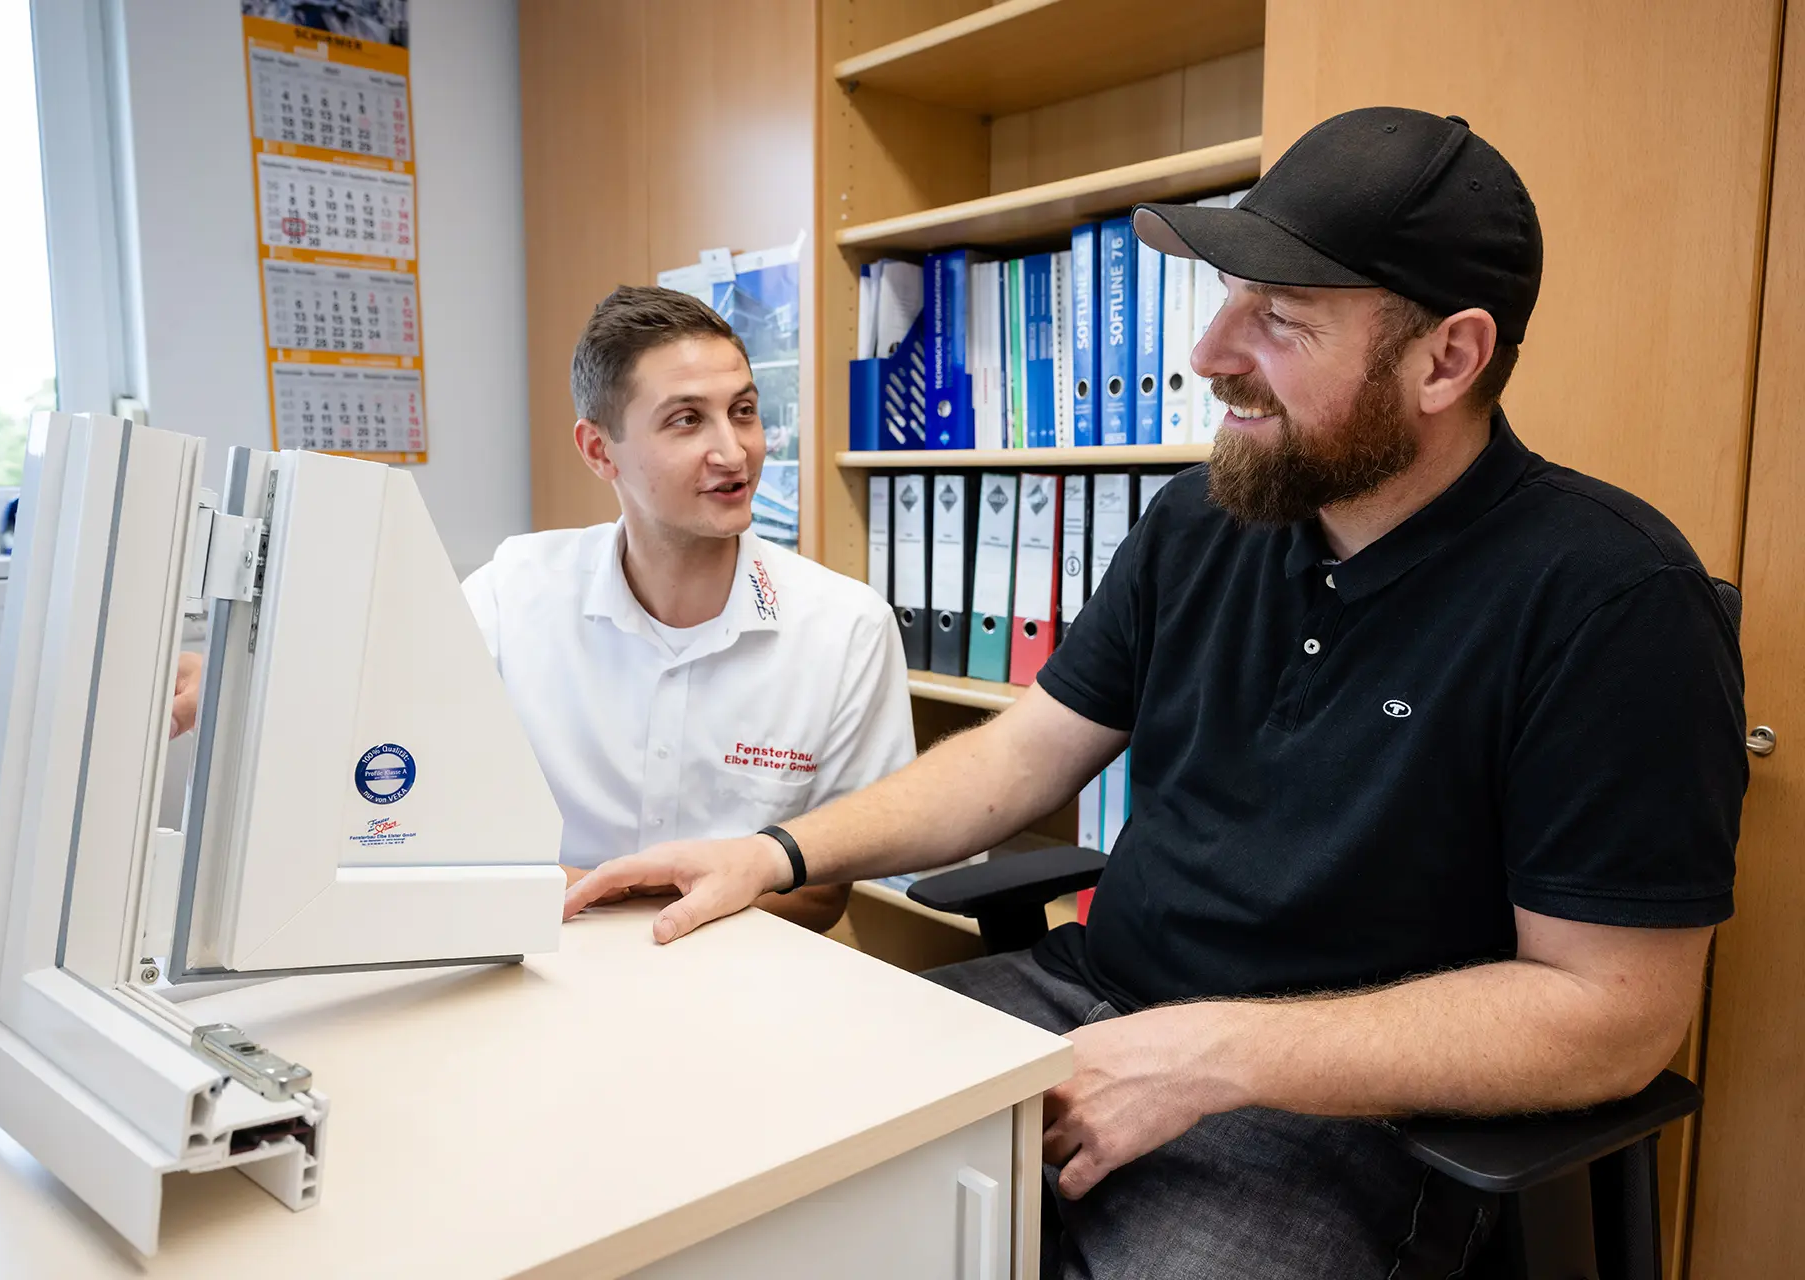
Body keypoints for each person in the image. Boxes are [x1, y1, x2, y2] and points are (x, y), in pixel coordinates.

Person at [563, 108, 1746, 1277]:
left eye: (1277, 318)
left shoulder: (1611, 596)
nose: (1210, 352)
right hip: (1086, 1000)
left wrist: (1212, 1053)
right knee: (744, 1162)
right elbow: (1017, 759)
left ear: (1448, 358)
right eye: (1227, 298)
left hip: (1343, 1111)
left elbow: (1615, 1014)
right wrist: (773, 853)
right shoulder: (1203, 520)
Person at [175, 284, 914, 933]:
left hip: (748, 974)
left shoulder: (845, 628)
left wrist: (606, 898)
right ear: (599, 450)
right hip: (549, 954)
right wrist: (242, 686)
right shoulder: (517, 590)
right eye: (687, 420)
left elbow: (824, 890)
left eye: (743, 411)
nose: (734, 451)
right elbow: (387, 707)